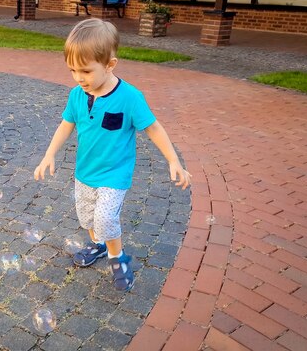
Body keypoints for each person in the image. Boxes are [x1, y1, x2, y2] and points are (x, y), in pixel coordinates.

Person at [34, 18, 191, 291]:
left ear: (110, 65)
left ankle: (118, 257)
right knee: (87, 218)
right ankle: (99, 245)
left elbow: (153, 128)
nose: (78, 78)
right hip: (85, 172)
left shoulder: (130, 97)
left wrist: (173, 159)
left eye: (85, 71)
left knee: (105, 218)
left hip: (114, 175)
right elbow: (66, 125)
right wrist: (49, 154)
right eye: (72, 70)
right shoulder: (77, 95)